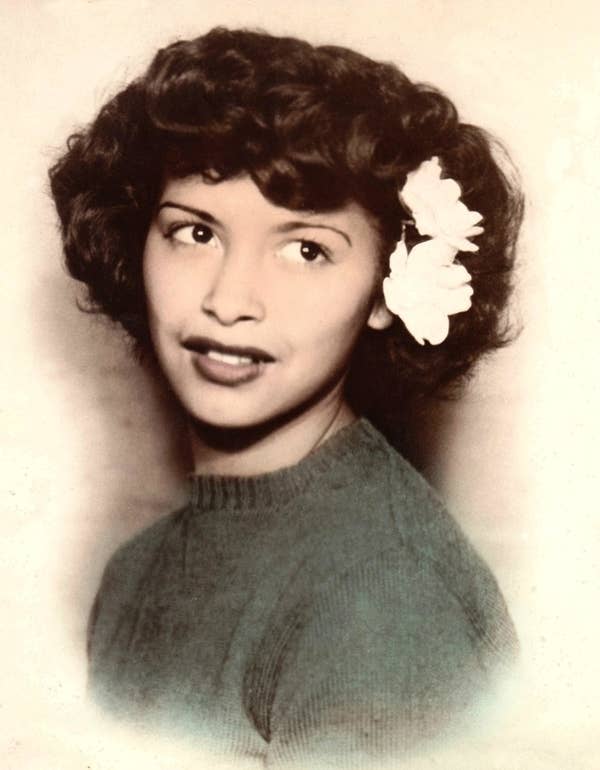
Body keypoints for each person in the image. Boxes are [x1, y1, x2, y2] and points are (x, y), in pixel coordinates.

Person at [49, 26, 523, 769]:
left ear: (386, 291)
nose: (230, 300)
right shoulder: (133, 574)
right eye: (195, 232)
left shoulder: (385, 603)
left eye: (306, 249)